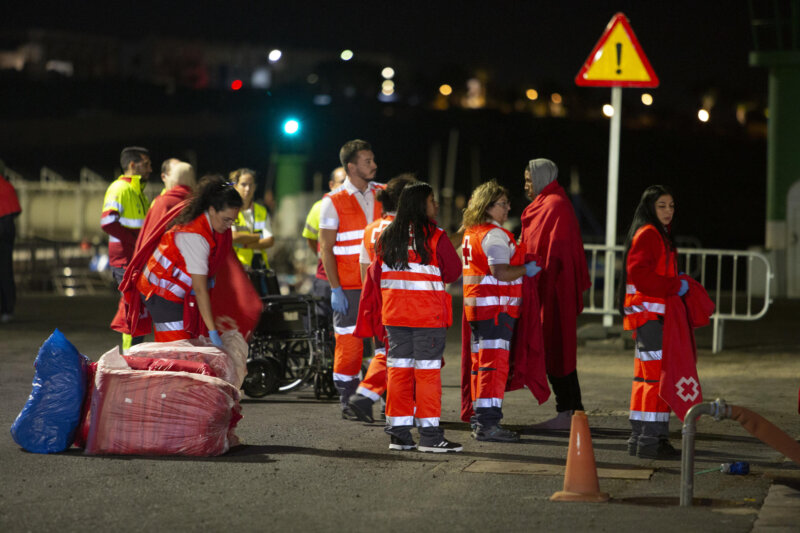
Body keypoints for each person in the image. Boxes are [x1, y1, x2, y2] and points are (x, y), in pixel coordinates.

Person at [377, 182, 462, 452]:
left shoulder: (387, 235)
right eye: (431, 200)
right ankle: (430, 437)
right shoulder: (435, 236)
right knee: (426, 375)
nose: (435, 205)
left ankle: (400, 435)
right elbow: (453, 272)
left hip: (394, 317)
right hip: (427, 318)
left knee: (398, 373)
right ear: (420, 204)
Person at [460, 180, 541, 442]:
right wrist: (526, 270)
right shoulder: (494, 235)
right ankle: (488, 424)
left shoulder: (472, 233)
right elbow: (501, 272)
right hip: (496, 310)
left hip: (479, 310)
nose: (507, 209)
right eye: (502, 204)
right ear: (488, 206)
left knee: (479, 367)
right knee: (493, 368)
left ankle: (479, 419)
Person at [520, 158, 590, 429]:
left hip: (554, 291)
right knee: (555, 348)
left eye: (529, 180)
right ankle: (574, 410)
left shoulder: (555, 206)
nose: (526, 185)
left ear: (541, 178)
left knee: (557, 348)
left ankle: (569, 411)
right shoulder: (545, 205)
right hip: (545, 289)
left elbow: (559, 254)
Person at [134, 174, 243, 347]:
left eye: (233, 220)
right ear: (212, 210)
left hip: (164, 289)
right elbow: (200, 290)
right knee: (176, 351)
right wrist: (213, 332)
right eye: (226, 219)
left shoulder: (202, 222)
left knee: (181, 351)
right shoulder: (195, 237)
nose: (229, 226)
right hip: (160, 293)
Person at [318, 140, 384, 419]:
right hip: (350, 286)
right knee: (349, 344)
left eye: (372, 160)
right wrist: (336, 289)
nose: (374, 165)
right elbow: (325, 248)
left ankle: (380, 398)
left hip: (381, 283)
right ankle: (348, 401)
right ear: (351, 166)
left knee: (386, 343)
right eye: (367, 161)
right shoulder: (332, 201)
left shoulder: (384, 193)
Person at [619, 185, 686, 459]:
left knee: (645, 379)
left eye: (671, 206)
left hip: (647, 318)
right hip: (651, 317)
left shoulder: (654, 233)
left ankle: (641, 438)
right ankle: (651, 440)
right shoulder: (650, 234)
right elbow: (641, 275)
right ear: (650, 207)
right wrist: (674, 286)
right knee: (657, 380)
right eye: (662, 206)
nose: (668, 211)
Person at [347, 173, 418, 423]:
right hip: (401, 301)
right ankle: (365, 397)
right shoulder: (406, 229)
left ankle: (391, 404)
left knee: (387, 351)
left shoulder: (369, 230)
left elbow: (363, 269)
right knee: (396, 353)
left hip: (377, 301)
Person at [102, 146, 151, 351]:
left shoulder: (138, 192)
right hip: (125, 260)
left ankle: (133, 355)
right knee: (134, 309)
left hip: (136, 259)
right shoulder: (119, 189)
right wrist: (135, 242)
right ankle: (130, 357)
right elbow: (107, 221)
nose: (150, 169)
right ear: (133, 165)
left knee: (139, 308)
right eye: (146, 164)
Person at [302, 166, 347, 318]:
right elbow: (310, 239)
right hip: (324, 279)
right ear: (331, 185)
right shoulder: (319, 208)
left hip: (349, 279)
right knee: (322, 324)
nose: (346, 186)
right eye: (342, 182)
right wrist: (323, 257)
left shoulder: (354, 208)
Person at [0, 171, 22, 323]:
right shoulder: (7, 186)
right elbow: (15, 210)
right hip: (8, 228)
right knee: (6, 270)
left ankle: (5, 308)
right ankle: (7, 309)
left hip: (3, 226)